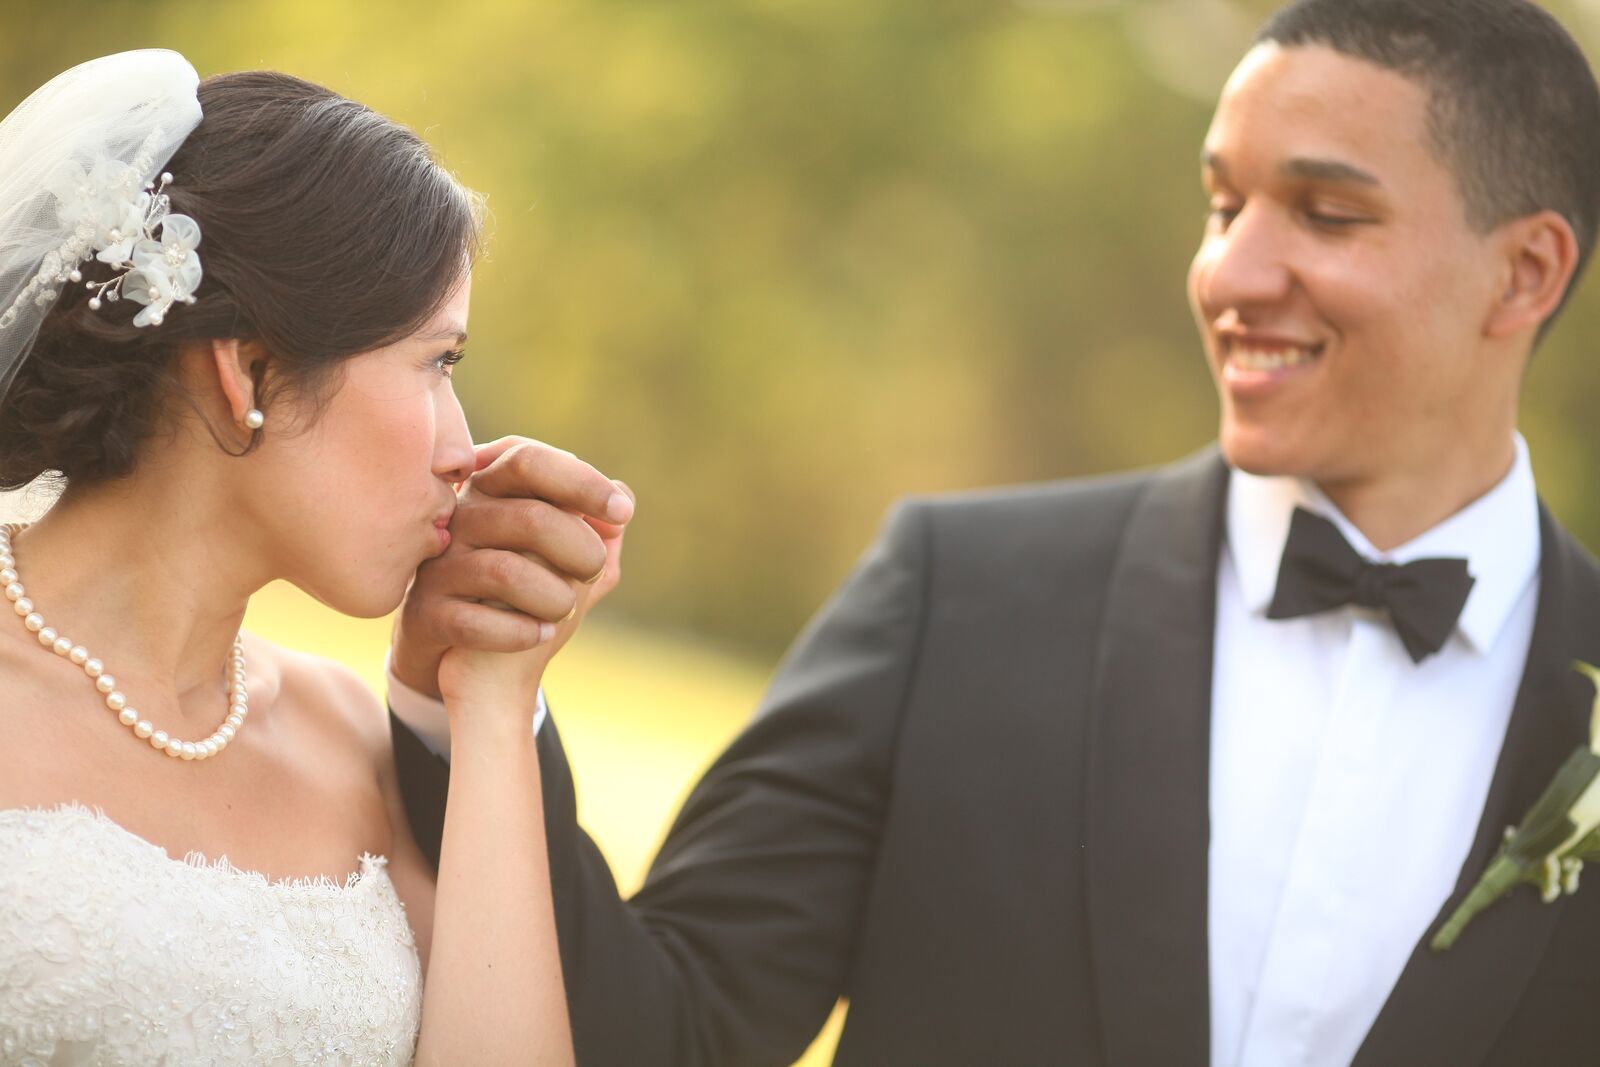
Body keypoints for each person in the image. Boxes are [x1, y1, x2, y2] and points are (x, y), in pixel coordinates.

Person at [386, 0, 1600, 1063]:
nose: (1229, 271)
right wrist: (484, 709)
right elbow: (668, 1030)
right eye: (1223, 203)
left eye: (1327, 213)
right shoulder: (954, 595)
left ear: (1525, 273)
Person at [0, 50, 619, 1065]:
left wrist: (492, 700)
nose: (462, 444)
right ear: (251, 368)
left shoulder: (351, 742)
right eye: (437, 363)